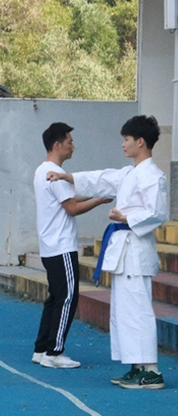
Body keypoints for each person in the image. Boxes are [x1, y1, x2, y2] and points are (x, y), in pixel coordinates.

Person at [46, 115, 169, 389]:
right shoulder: (129, 173)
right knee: (125, 311)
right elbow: (102, 178)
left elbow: (157, 213)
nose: (123, 144)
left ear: (140, 141)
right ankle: (137, 366)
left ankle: (151, 370)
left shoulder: (153, 175)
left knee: (139, 310)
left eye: (126, 139)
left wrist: (125, 218)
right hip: (124, 252)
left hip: (136, 251)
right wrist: (67, 176)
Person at [32, 122, 111, 369]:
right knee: (67, 298)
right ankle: (54, 353)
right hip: (61, 246)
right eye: (69, 142)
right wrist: (99, 200)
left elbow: (71, 197)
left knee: (55, 298)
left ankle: (41, 349)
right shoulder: (53, 173)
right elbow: (72, 208)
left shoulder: (44, 171)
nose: (73, 146)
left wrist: (99, 193)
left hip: (50, 246)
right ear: (57, 145)